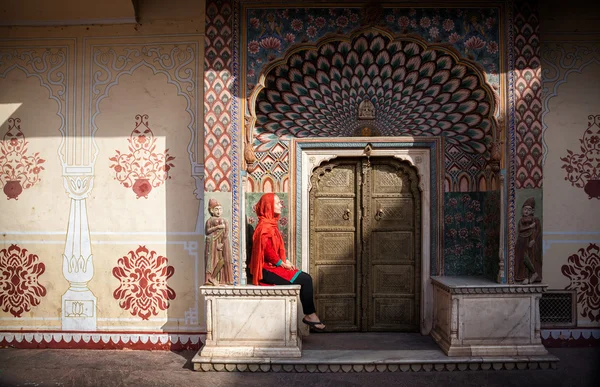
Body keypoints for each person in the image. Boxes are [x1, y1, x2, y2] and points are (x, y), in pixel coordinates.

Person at [250, 193, 326, 332]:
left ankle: (310, 315)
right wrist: (281, 263)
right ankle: (310, 315)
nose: (281, 205)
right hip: (267, 271)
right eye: (278, 203)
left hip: (273, 267)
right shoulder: (265, 227)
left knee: (304, 277)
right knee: (306, 279)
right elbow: (267, 251)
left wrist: (284, 261)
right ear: (269, 206)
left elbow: (274, 250)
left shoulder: (271, 225)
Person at [204, 198, 234, 285]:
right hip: (212, 242)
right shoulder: (209, 221)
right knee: (212, 260)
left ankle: (221, 278)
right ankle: (210, 278)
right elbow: (207, 231)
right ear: (211, 210)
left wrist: (221, 243)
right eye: (216, 209)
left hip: (223, 242)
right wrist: (217, 227)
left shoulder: (224, 221)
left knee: (224, 259)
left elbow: (226, 232)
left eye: (220, 209)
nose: (218, 211)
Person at [514, 197, 542, 284]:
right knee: (521, 257)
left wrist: (533, 240)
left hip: (530, 241)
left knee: (529, 257)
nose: (526, 211)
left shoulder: (535, 220)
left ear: (532, 211)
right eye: (525, 209)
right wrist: (530, 226)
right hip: (521, 240)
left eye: (529, 210)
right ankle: (525, 275)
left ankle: (533, 274)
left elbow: (537, 231)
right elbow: (520, 229)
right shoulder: (521, 220)